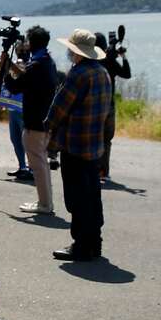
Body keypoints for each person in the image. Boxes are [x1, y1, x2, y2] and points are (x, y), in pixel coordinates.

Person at [47, 29, 113, 261]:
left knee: (76, 197)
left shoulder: (79, 74)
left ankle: (82, 245)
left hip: (75, 144)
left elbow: (60, 108)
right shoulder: (102, 73)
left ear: (75, 51)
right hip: (94, 145)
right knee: (92, 195)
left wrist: (48, 126)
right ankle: (94, 242)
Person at [2, 26, 58, 214]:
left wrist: (5, 71)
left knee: (38, 165)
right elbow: (27, 78)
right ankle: (46, 201)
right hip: (46, 120)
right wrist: (11, 65)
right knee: (41, 163)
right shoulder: (47, 61)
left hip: (35, 122)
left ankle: (44, 204)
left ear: (31, 42)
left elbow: (16, 87)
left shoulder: (36, 65)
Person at [95, 31, 131, 182]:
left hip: (96, 106)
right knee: (106, 140)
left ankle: (95, 170)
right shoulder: (109, 60)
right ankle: (104, 171)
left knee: (95, 138)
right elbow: (126, 74)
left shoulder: (93, 61)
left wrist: (114, 53)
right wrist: (123, 57)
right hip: (109, 105)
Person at [5, 38, 32, 181]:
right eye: (19, 50)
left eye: (25, 50)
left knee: (26, 139)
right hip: (13, 107)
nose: (22, 53)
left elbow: (23, 75)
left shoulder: (31, 66)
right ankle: (22, 166)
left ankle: (31, 167)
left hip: (24, 108)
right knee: (15, 138)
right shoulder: (15, 64)